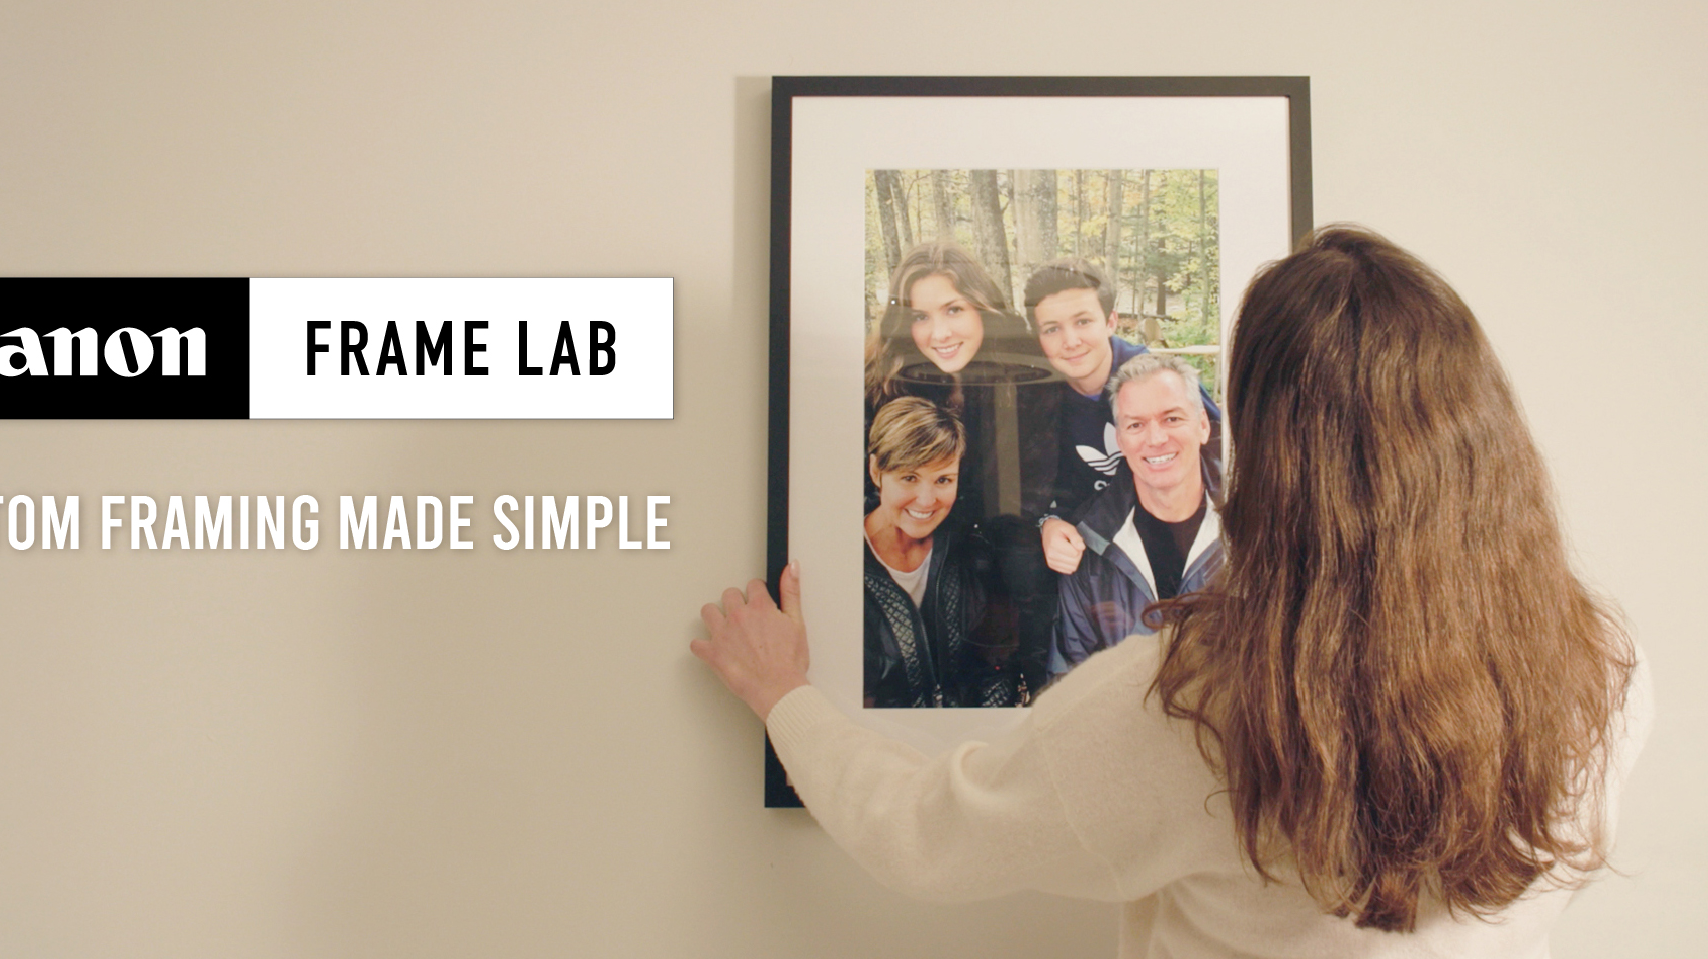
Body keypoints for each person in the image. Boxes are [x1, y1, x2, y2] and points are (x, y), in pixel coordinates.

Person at [693, 226, 1648, 954]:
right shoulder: (1606, 666)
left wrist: (783, 696)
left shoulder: (1190, 703)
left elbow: (920, 835)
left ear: (1245, 442)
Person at [1017, 258, 1220, 577]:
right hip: (1096, 561)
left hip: (1179, 541)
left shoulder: (1156, 380)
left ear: (1110, 321)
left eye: (1083, 321)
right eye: (1052, 329)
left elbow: (1222, 458)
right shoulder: (1038, 401)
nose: (1071, 341)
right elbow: (1033, 494)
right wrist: (1047, 523)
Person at [1049, 353, 1221, 678]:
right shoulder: (1090, 544)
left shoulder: (1255, 529)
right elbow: (1069, 682)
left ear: (1202, 425)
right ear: (1120, 440)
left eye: (1172, 419)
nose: (1155, 439)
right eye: (1136, 425)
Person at [864, 242, 1043, 528]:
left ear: (982, 309)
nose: (940, 334)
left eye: (954, 310)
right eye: (921, 317)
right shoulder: (878, 384)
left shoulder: (1028, 378)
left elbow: (1031, 495)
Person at [862, 396, 1021, 708]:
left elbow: (996, 669)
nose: (926, 500)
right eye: (909, 477)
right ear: (876, 470)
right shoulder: (841, 560)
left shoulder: (972, 553)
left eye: (943, 480)